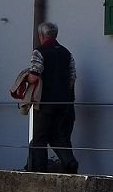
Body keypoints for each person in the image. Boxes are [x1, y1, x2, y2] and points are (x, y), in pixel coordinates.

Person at [27, 21, 79, 173]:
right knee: (60, 137)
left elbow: (34, 75)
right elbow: (72, 77)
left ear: (41, 35)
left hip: (45, 102)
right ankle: (70, 163)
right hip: (66, 103)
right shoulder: (67, 53)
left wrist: (25, 78)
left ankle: (39, 170)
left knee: (39, 138)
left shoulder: (39, 51)